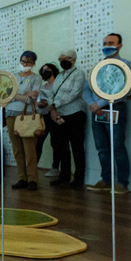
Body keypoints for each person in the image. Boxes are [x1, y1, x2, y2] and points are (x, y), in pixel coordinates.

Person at [84, 33, 131, 193]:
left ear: (120, 45)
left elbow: (122, 89)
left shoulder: (126, 65)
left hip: (115, 109)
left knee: (117, 146)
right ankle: (106, 180)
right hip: (96, 111)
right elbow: (87, 89)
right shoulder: (98, 66)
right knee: (102, 147)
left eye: (111, 43)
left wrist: (99, 104)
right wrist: (93, 104)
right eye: (105, 43)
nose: (107, 45)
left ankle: (122, 183)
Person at [47, 50, 87, 188]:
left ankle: (78, 179)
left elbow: (74, 94)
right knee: (61, 147)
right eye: (61, 58)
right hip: (59, 115)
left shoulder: (79, 74)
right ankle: (64, 176)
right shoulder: (59, 76)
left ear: (73, 59)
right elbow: (53, 93)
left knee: (77, 147)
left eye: (66, 58)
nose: (63, 60)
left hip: (75, 114)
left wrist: (54, 105)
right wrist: (53, 108)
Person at [5, 51, 42, 190]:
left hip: (27, 115)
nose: (25, 64)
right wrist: (22, 95)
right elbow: (6, 95)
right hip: (11, 114)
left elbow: (32, 97)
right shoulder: (12, 76)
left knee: (29, 149)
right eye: (23, 61)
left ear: (33, 64)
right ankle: (22, 178)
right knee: (17, 149)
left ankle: (33, 179)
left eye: (29, 62)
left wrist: (16, 95)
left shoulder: (36, 78)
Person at [36, 62, 61, 174]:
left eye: (47, 69)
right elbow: (37, 102)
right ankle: (33, 166)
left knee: (55, 142)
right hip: (44, 115)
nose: (44, 72)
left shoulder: (58, 84)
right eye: (43, 70)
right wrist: (39, 104)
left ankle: (55, 167)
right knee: (38, 141)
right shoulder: (41, 87)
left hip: (55, 115)